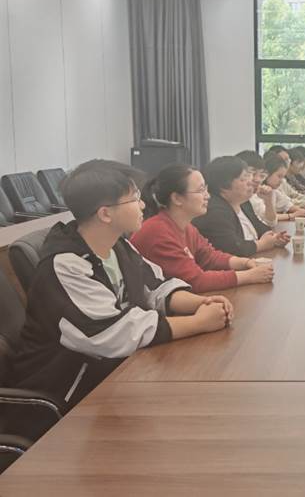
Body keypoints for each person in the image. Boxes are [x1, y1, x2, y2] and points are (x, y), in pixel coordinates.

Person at [11, 159, 234, 410]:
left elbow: (154, 286)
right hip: (69, 388)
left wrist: (201, 303)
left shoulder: (118, 245)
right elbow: (114, 333)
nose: (143, 205)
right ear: (105, 214)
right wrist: (199, 323)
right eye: (134, 199)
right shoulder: (66, 264)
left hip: (114, 370)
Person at [131, 164, 275, 293]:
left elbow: (210, 257)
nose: (207, 196)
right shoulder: (157, 232)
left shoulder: (186, 227)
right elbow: (195, 280)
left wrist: (245, 263)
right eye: (200, 190)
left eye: (206, 189)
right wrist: (249, 276)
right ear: (177, 198)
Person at [193, 156, 289, 257]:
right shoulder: (215, 211)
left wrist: (275, 238)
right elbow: (232, 248)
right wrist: (261, 244)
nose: (250, 182)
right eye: (243, 179)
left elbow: (262, 228)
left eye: (248, 177)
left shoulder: (243, 203)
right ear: (224, 186)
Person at [261, 151, 305, 221]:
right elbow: (265, 217)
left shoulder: (274, 191)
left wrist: (301, 210)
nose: (281, 181)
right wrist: (292, 215)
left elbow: (287, 204)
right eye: (279, 176)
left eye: (283, 177)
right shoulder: (258, 191)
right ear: (267, 174)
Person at [236, 150, 278, 227]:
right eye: (253, 173)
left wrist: (268, 202)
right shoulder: (235, 199)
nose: (258, 179)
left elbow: (271, 223)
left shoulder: (255, 196)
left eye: (261, 175)